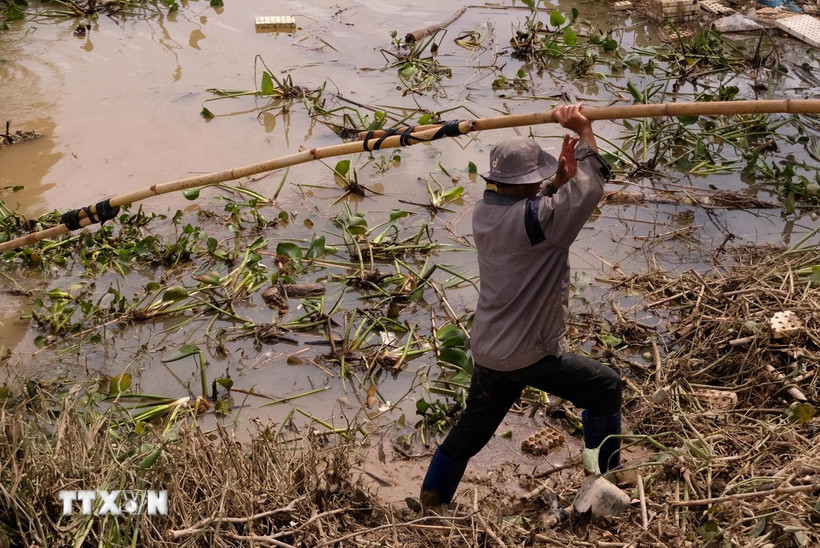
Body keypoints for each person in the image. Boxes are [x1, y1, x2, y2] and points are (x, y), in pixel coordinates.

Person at [419, 103, 622, 507]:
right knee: (605, 387)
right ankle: (604, 480)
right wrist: (584, 131)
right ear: (526, 183)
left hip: (491, 347)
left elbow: (530, 212)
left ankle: (433, 495)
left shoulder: (483, 213)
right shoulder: (542, 221)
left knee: (471, 430)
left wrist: (555, 184)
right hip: (528, 351)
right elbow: (590, 189)